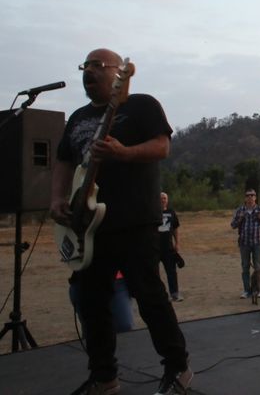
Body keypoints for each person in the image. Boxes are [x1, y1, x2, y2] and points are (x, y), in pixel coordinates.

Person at [49, 48, 192, 395]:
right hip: (88, 227)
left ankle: (178, 367)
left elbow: (162, 147)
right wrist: (57, 199)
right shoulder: (78, 118)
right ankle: (104, 376)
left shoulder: (142, 105)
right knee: (90, 301)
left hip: (134, 220)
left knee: (149, 295)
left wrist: (123, 153)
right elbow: (65, 161)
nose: (89, 71)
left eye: (98, 65)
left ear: (119, 73)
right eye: (85, 66)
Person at [230, 189, 260, 298]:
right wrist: (240, 218)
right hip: (244, 243)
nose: (250, 197)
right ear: (245, 198)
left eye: (252, 195)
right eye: (248, 195)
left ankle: (258, 290)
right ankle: (247, 291)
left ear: (255, 197)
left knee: (258, 268)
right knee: (245, 267)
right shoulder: (240, 210)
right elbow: (233, 225)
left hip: (257, 243)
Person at [159, 192, 183, 302]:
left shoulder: (171, 212)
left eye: (165, 198)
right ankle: (158, 295)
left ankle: (174, 294)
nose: (163, 200)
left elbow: (175, 228)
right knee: (154, 273)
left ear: (167, 200)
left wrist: (177, 243)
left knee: (171, 271)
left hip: (168, 248)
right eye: (161, 198)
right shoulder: (153, 212)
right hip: (155, 248)